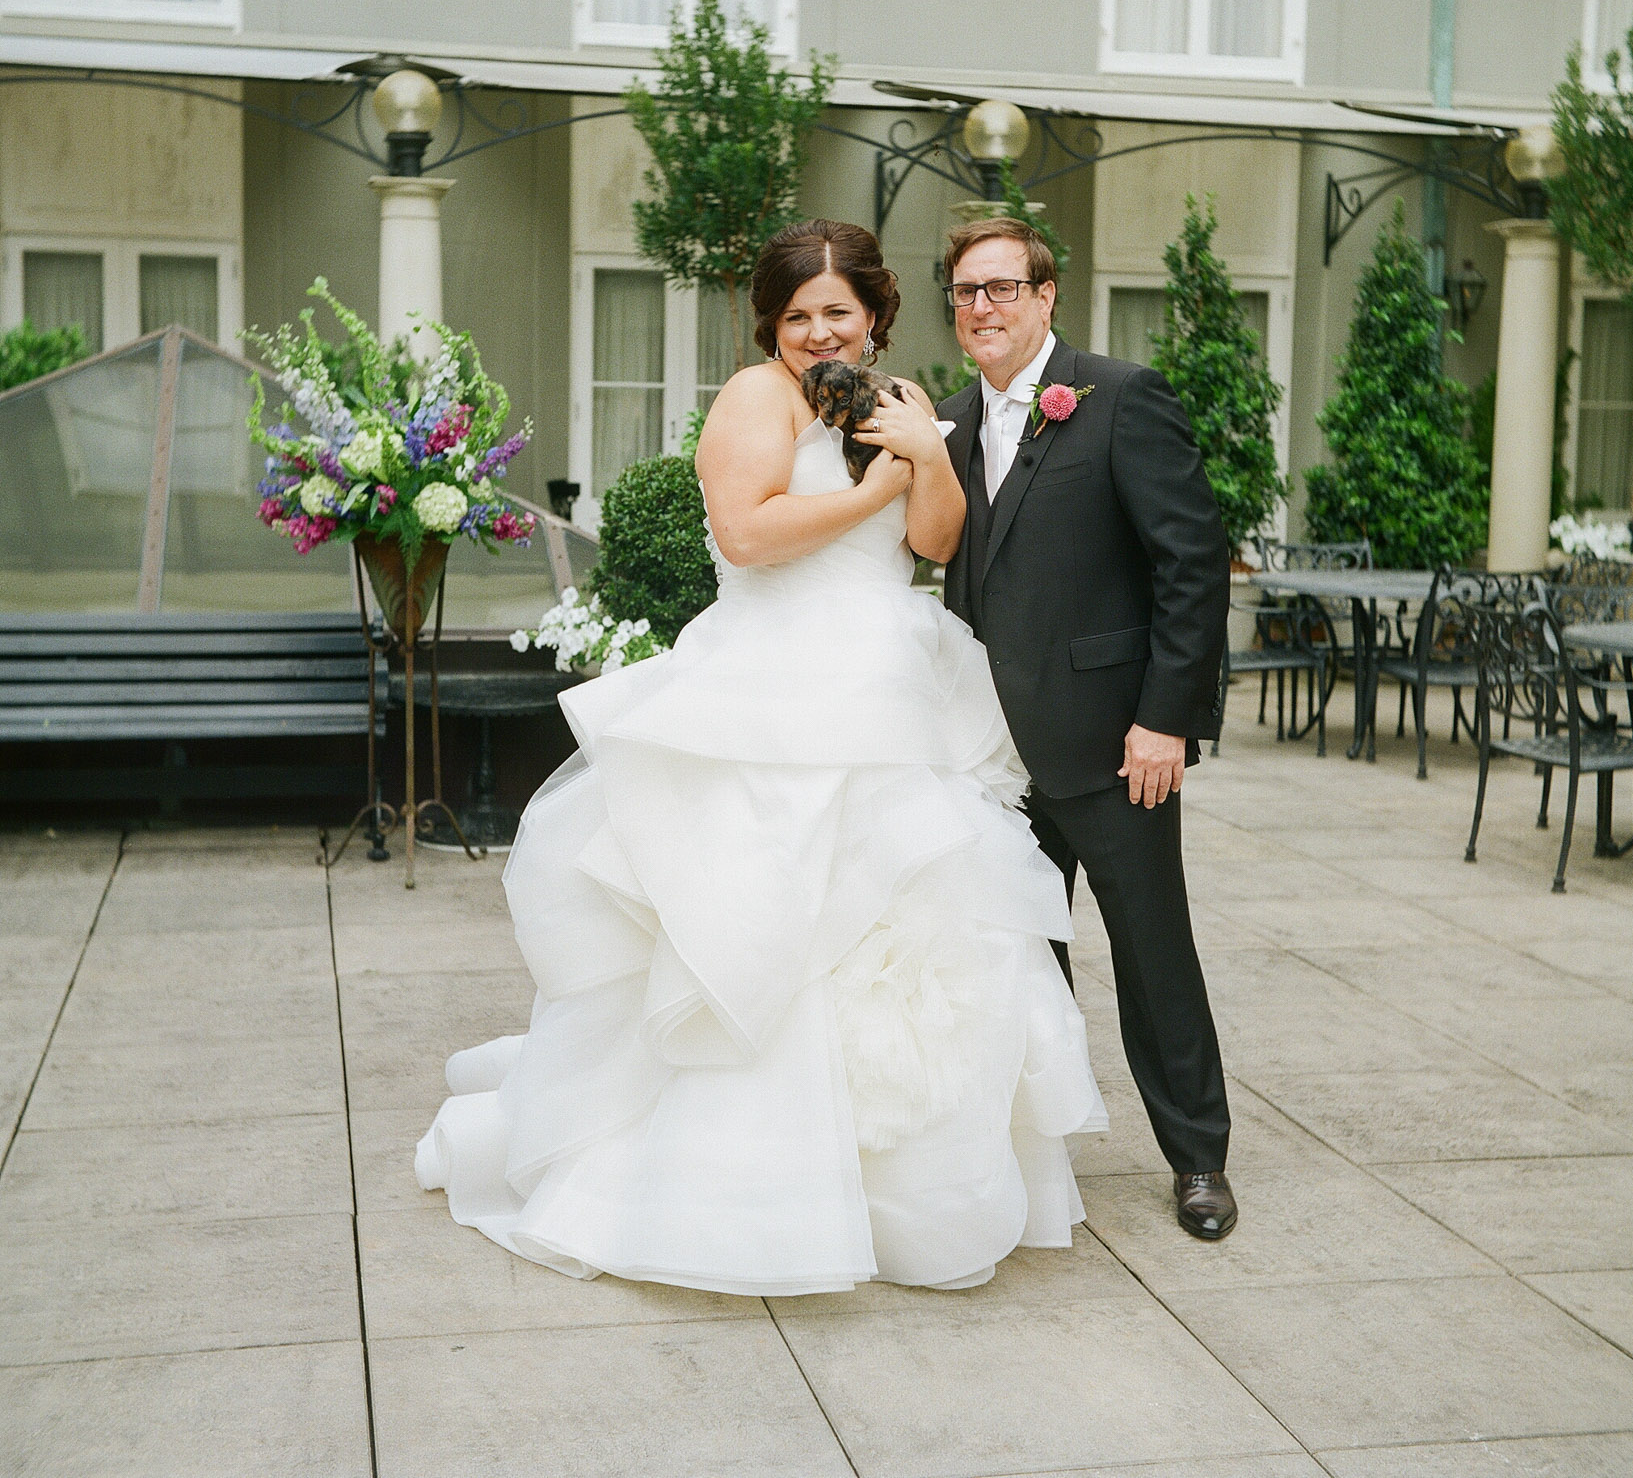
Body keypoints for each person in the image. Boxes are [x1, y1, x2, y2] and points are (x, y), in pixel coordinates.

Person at [415, 218, 1107, 1294]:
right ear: (770, 326)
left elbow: (936, 540)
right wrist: (879, 486)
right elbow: (746, 532)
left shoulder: (901, 400)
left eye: (838, 312)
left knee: (915, 910)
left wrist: (923, 456)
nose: (819, 334)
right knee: (768, 925)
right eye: (797, 316)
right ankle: (739, 1194)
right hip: (778, 685)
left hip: (890, 686)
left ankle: (895, 1192)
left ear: (875, 313)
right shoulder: (757, 398)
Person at [935, 217, 1238, 1241]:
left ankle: (1198, 1154)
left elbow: (1191, 565)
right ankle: (1036, 1149)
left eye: (1003, 287)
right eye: (967, 291)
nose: (984, 306)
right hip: (992, 759)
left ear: (1048, 292)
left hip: (1115, 746)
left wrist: (1164, 718)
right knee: (1020, 960)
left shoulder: (1120, 399)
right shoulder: (941, 423)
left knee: (1154, 953)